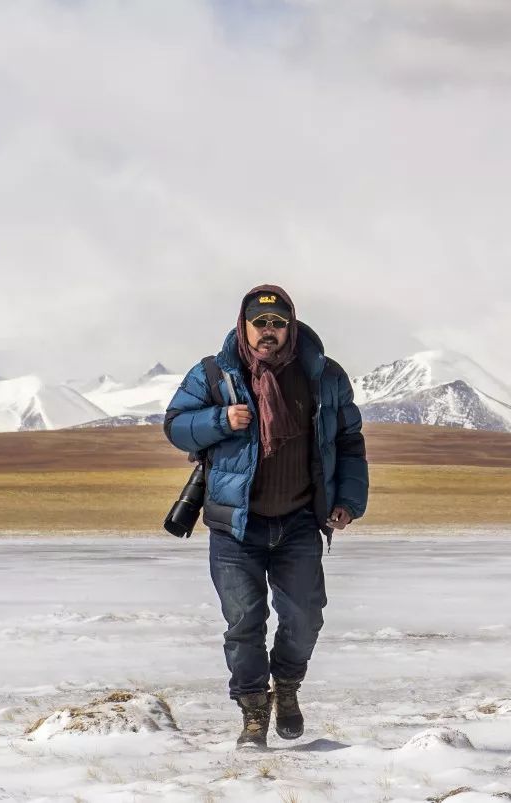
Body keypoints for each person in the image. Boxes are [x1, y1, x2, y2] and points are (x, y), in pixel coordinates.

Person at [163, 285, 369, 748]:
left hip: (298, 519)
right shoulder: (215, 374)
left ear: (291, 326)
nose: (269, 332)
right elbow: (175, 424)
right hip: (236, 526)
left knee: (305, 618)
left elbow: (350, 441)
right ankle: (254, 712)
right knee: (244, 623)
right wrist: (219, 421)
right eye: (261, 323)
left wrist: (349, 502)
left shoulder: (324, 375)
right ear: (245, 325)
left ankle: (288, 688)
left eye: (279, 324)